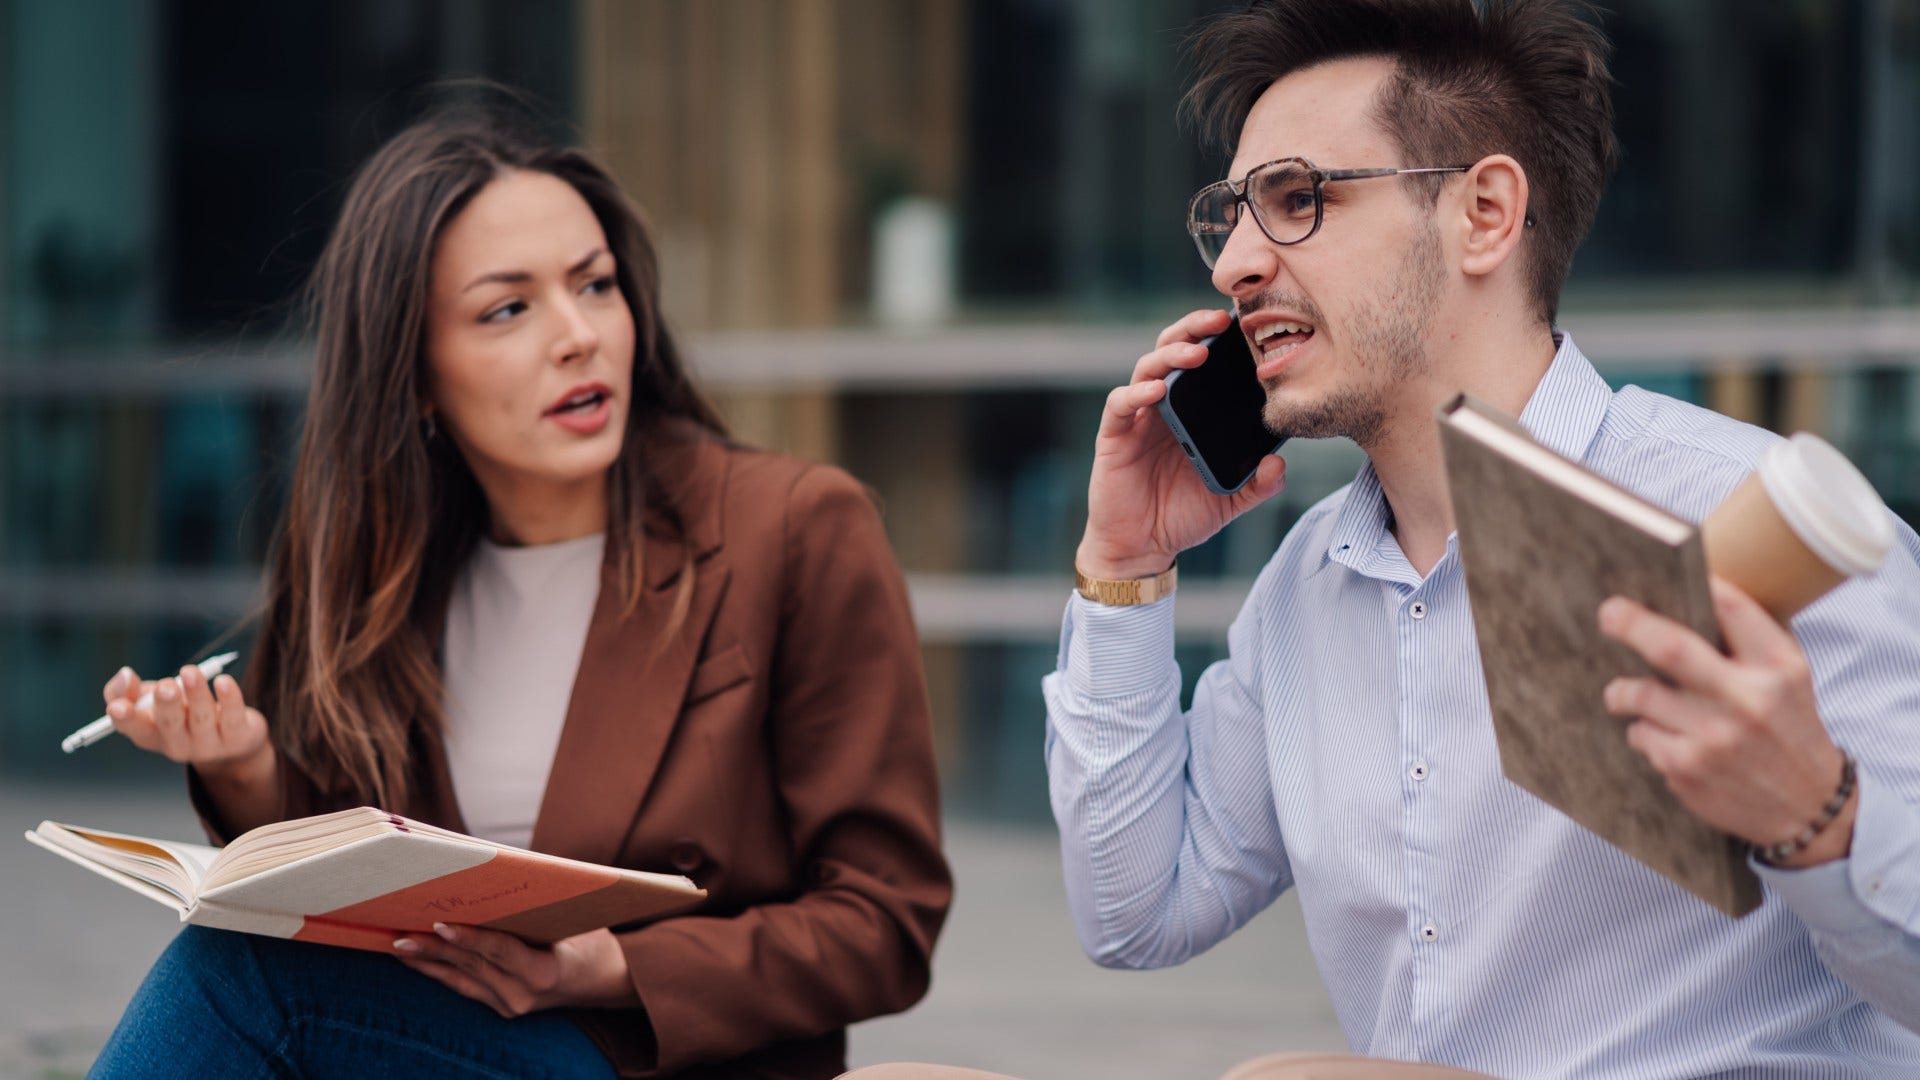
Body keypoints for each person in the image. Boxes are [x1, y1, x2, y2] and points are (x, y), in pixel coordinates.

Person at [1044, 0, 1920, 1076]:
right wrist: (1122, 570)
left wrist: (1815, 817)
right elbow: (1135, 914)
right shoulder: (1305, 588)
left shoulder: (1753, 519)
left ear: (1486, 213)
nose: (1233, 266)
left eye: (1295, 199)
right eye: (1229, 214)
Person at [87, 103, 951, 1080]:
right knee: (247, 966)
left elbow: (886, 923)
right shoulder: (374, 569)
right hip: (414, 1050)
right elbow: (335, 894)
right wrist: (244, 766)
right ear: (413, 372)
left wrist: (609, 966)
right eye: (509, 308)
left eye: (596, 285)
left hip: (646, 1063)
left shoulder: (793, 529)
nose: (579, 335)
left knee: (240, 980)